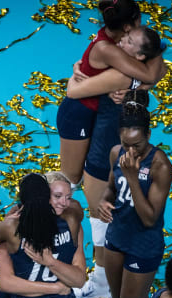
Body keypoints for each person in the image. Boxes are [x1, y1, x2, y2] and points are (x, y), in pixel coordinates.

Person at [67, 25, 168, 298]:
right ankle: (105, 276)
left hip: (104, 152)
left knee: (100, 215)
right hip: (104, 144)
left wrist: (74, 78)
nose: (121, 42)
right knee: (104, 211)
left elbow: (74, 90)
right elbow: (160, 67)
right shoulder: (135, 71)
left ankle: (101, 281)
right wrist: (143, 84)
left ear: (140, 56)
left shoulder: (120, 73)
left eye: (129, 41)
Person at [97, 89, 172, 298]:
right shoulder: (117, 154)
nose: (131, 152)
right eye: (126, 145)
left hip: (143, 245)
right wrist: (104, 201)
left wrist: (131, 175)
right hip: (116, 238)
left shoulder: (161, 166)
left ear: (150, 135)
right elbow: (111, 189)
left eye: (137, 145)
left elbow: (149, 217)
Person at [57, 0, 160, 189]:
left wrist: (136, 91)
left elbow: (160, 66)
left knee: (91, 170)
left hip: (97, 115)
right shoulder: (112, 49)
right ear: (128, 26)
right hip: (78, 114)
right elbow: (151, 73)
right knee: (71, 178)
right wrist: (73, 77)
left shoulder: (129, 41)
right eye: (139, 19)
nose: (143, 23)